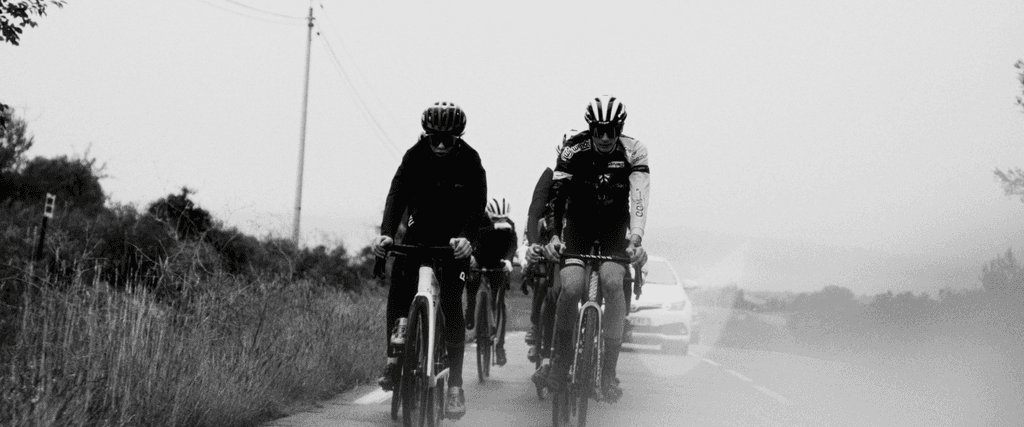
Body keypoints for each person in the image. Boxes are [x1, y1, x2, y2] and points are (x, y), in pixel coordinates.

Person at [371, 101, 486, 419]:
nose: (438, 144)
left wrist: (468, 241)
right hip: (419, 234)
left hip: (454, 240)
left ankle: (455, 387)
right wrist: (386, 234)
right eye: (433, 137)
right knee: (400, 285)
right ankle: (395, 360)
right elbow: (396, 194)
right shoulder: (415, 155)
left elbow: (477, 208)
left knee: (451, 305)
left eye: (446, 139)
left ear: (457, 138)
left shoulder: (471, 161)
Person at [537, 95, 649, 402]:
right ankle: (560, 362)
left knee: (614, 283)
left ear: (619, 128)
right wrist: (554, 236)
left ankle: (608, 372)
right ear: (590, 128)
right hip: (578, 229)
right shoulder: (574, 148)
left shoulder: (634, 150)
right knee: (571, 288)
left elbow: (639, 197)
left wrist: (635, 238)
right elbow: (557, 195)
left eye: (610, 131)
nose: (603, 137)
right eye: (598, 130)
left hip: (615, 230)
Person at [464, 196, 518, 366]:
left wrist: (509, 260)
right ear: (489, 214)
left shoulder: (510, 225)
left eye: (502, 219)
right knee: (472, 281)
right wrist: (492, 227)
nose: (500, 221)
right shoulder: (481, 220)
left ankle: (500, 347)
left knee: (500, 302)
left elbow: (512, 244)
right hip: (480, 257)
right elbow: (476, 237)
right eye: (496, 219)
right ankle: (471, 310)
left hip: (498, 261)